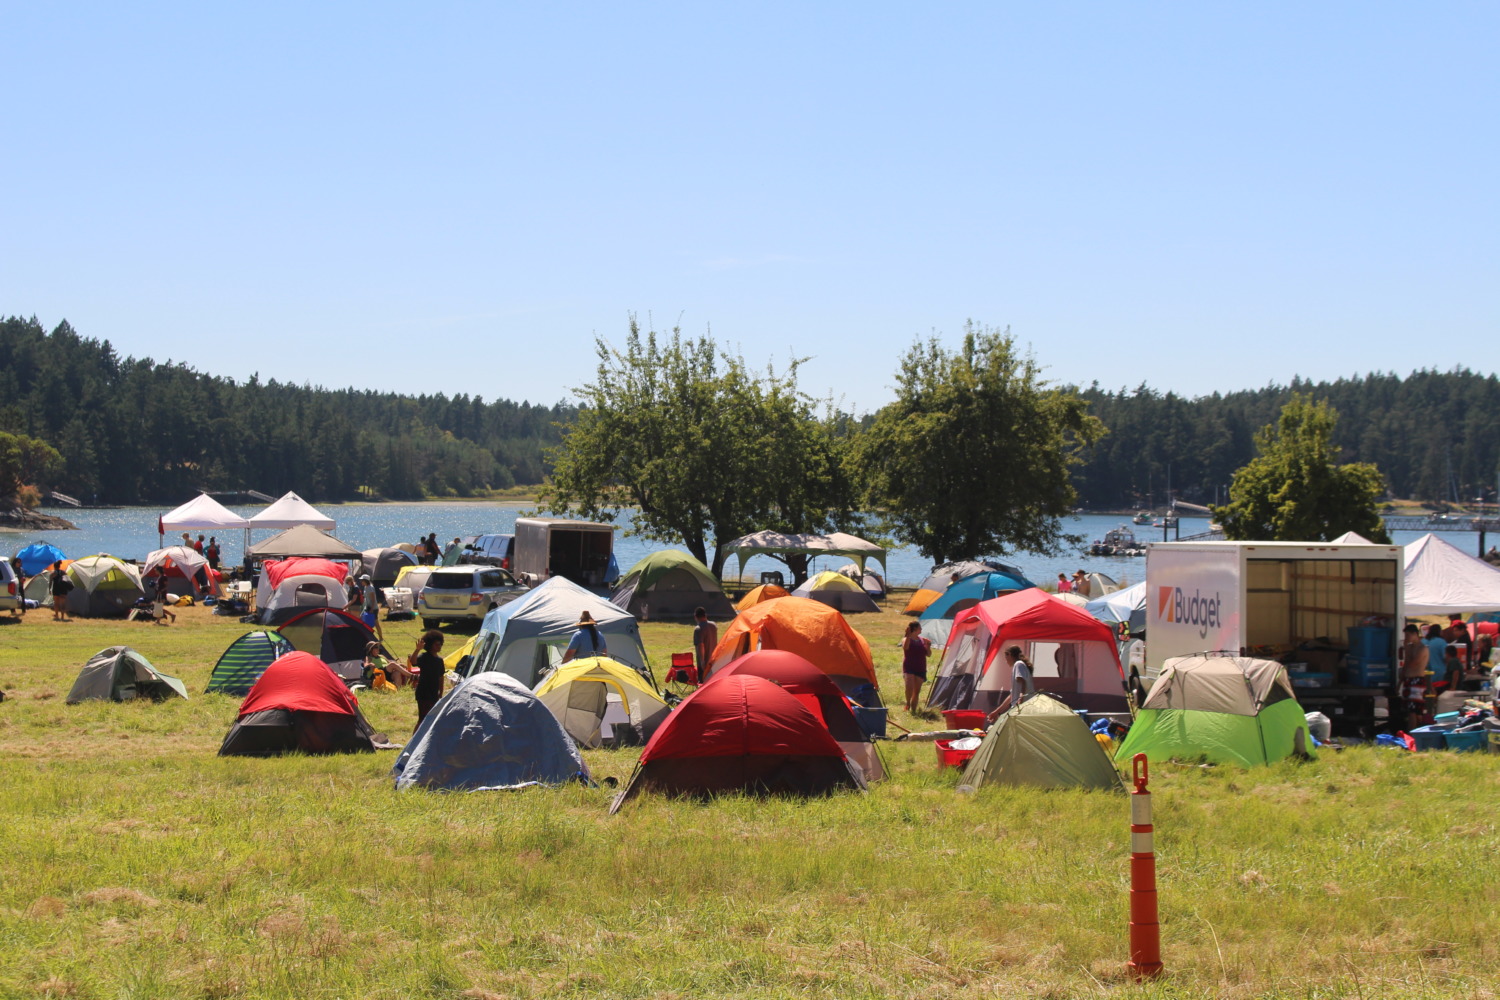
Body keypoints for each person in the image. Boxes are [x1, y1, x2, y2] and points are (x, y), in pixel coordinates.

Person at [987, 645, 1034, 721]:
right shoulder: (1019, 665)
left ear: (1010, 654)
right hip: (1020, 706)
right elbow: (1012, 696)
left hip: (1023, 707)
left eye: (1006, 657)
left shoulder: (1018, 664)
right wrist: (996, 712)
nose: (1006, 661)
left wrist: (1020, 700)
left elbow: (1023, 683)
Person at [409, 631, 446, 724]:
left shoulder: (439, 660)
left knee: (432, 719)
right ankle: (415, 738)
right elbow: (413, 662)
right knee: (422, 719)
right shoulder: (424, 657)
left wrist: (441, 692)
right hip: (423, 692)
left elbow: (441, 677)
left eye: (440, 644)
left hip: (434, 693)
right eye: (437, 644)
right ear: (430, 645)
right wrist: (417, 650)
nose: (439, 646)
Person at [1399, 624, 1431, 728]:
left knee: (1413, 710)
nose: (1406, 638)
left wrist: (1407, 651)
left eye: (1408, 635)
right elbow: (1406, 666)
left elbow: (1413, 663)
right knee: (1410, 709)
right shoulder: (1410, 647)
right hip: (1408, 679)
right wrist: (1400, 682)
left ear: (1415, 634)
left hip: (1417, 680)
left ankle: (1413, 732)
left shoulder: (1422, 648)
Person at [900, 621, 932, 713]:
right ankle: (908, 703)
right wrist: (908, 636)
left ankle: (913, 711)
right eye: (920, 628)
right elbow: (906, 648)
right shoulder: (905, 639)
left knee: (917, 691)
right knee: (909, 687)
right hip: (909, 666)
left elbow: (928, 654)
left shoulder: (923, 640)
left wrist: (928, 646)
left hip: (920, 667)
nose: (921, 629)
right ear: (915, 629)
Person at [692, 606, 717, 681]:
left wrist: (702, 661)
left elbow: (700, 645)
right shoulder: (713, 625)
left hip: (705, 661)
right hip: (713, 659)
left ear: (695, 617)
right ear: (705, 615)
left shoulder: (698, 629)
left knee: (703, 682)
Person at [1423, 624, 1450, 690]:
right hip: (1439, 672)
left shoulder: (1423, 641)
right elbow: (1446, 657)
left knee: (1428, 691)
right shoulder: (1441, 642)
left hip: (1425, 672)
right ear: (1439, 631)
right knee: (1439, 691)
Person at [359, 573, 384, 641]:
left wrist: (372, 609)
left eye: (362, 580)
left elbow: (373, 599)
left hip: (373, 608)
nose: (361, 582)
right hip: (367, 607)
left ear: (366, 581)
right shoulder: (365, 587)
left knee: (376, 623)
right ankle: (367, 636)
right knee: (362, 619)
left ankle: (381, 637)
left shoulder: (370, 588)